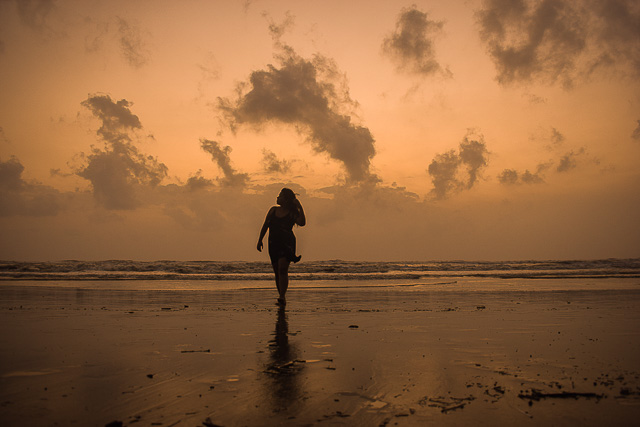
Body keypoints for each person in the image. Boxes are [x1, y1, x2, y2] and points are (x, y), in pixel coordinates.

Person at [257, 188, 306, 307]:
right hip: (273, 242)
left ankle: (282, 296)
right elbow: (265, 225)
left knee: (283, 269)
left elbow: (302, 222)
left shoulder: (291, 213)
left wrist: (299, 206)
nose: (277, 197)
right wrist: (260, 240)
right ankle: (281, 297)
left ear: (286, 199)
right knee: (277, 271)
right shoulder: (273, 210)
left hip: (287, 243)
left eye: (280, 195)